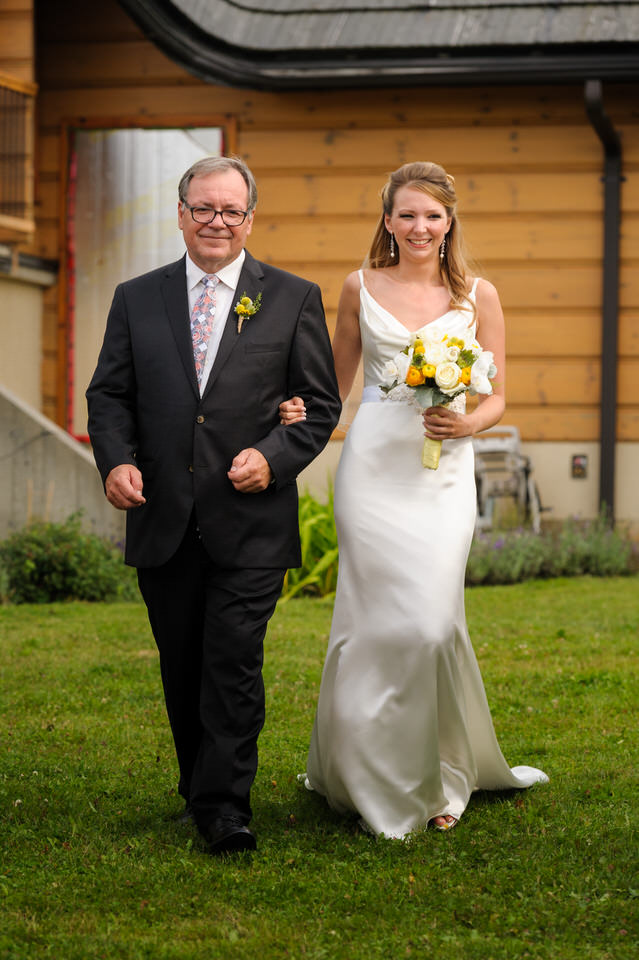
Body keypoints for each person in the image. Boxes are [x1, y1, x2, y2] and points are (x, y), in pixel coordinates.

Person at [279, 160, 547, 838]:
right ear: (388, 219)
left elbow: (497, 397)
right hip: (372, 467)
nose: (419, 226)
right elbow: (332, 384)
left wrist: (467, 422)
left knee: (428, 626)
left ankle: (441, 769)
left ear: (448, 220)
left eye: (432, 214)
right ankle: (362, 774)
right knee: (371, 625)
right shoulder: (357, 286)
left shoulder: (477, 295)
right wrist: (290, 413)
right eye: (406, 214)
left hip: (443, 474)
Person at [86, 156, 341, 855]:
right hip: (162, 514)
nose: (216, 222)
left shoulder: (290, 297)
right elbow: (108, 395)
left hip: (249, 519)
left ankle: (225, 806)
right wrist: (117, 462)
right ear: (181, 213)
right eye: (203, 208)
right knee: (182, 660)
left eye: (231, 211)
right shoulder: (137, 297)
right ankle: (197, 783)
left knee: (231, 659)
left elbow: (317, 405)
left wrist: (275, 456)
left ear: (250, 219)